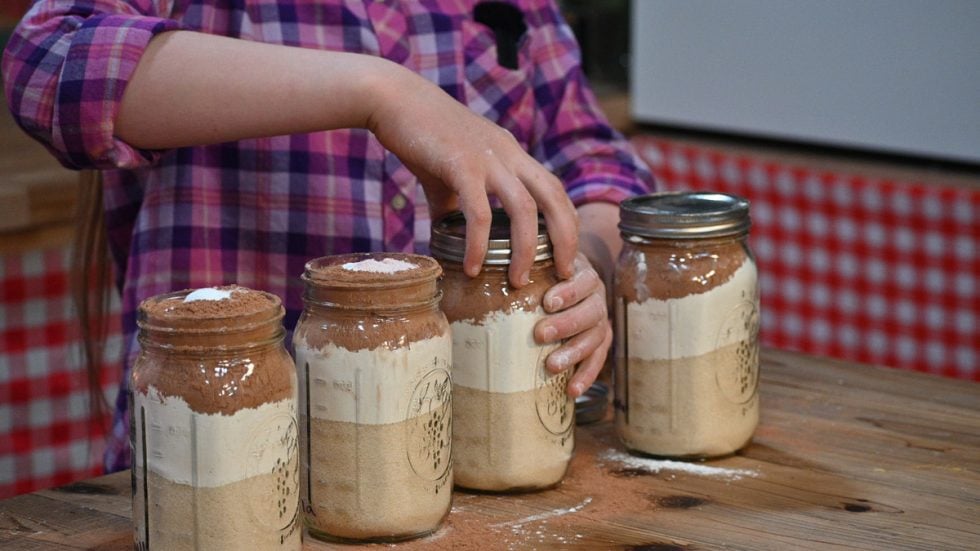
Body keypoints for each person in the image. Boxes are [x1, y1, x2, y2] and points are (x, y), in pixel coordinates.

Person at [2, 0, 653, 472]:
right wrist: (378, 90)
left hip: (461, 466)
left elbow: (598, 162)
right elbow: (48, 64)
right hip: (216, 470)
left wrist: (587, 258)